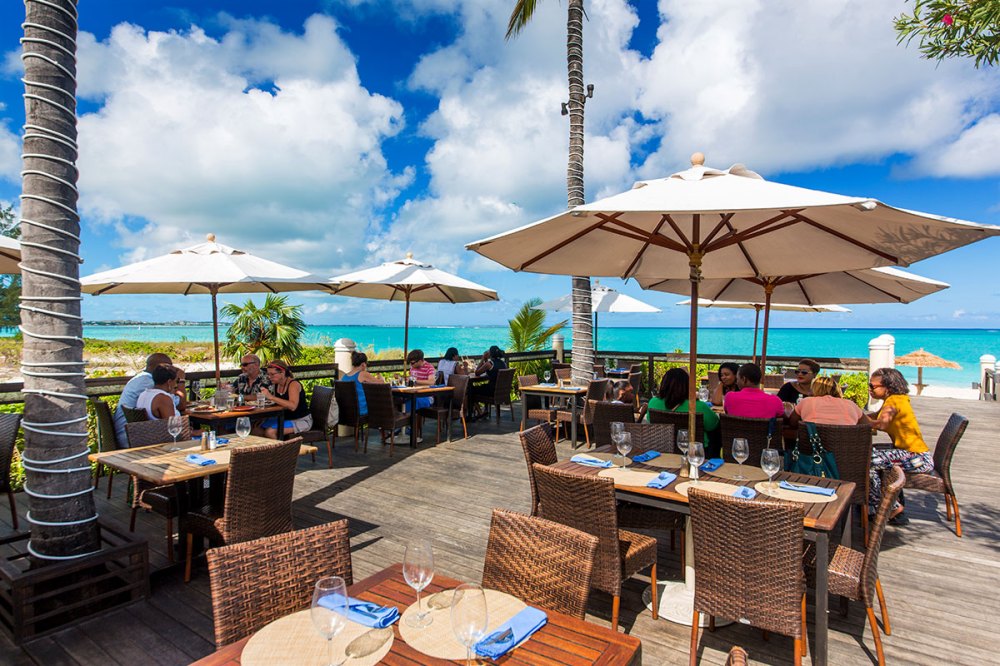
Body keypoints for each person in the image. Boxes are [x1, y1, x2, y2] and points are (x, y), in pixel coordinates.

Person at [865, 368, 932, 524]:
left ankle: (886, 507)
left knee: (868, 460)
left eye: (873, 386)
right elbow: (873, 418)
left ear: (888, 387)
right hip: (914, 455)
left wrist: (855, 418)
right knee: (872, 455)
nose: (870, 389)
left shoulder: (894, 401)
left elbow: (881, 424)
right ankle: (883, 505)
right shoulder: (897, 400)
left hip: (917, 458)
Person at [114, 353, 185, 447]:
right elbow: (180, 405)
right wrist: (181, 380)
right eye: (170, 368)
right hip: (133, 437)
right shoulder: (152, 385)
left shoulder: (142, 382)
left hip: (130, 433)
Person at [646, 368, 720, 455]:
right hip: (696, 452)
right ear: (688, 385)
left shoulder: (653, 403)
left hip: (663, 449)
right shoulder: (698, 406)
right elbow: (713, 425)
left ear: (663, 384)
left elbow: (649, 420)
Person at [257, 360, 312, 439]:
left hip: (300, 420)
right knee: (256, 429)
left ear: (282, 372)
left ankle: (281, 451)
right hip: (284, 418)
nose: (269, 377)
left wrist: (271, 397)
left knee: (270, 432)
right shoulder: (276, 384)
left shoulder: (293, 384)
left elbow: (293, 406)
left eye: (272, 374)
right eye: (268, 374)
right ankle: (267, 451)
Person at [789, 376, 865, 428]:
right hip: (847, 449)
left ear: (814, 389)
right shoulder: (850, 404)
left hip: (813, 449)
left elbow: (792, 423)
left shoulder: (807, 401)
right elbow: (867, 425)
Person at [341, 351, 383, 417]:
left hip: (347, 411)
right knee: (384, 405)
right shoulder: (362, 374)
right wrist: (380, 376)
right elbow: (381, 383)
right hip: (361, 410)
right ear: (363, 364)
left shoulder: (344, 377)